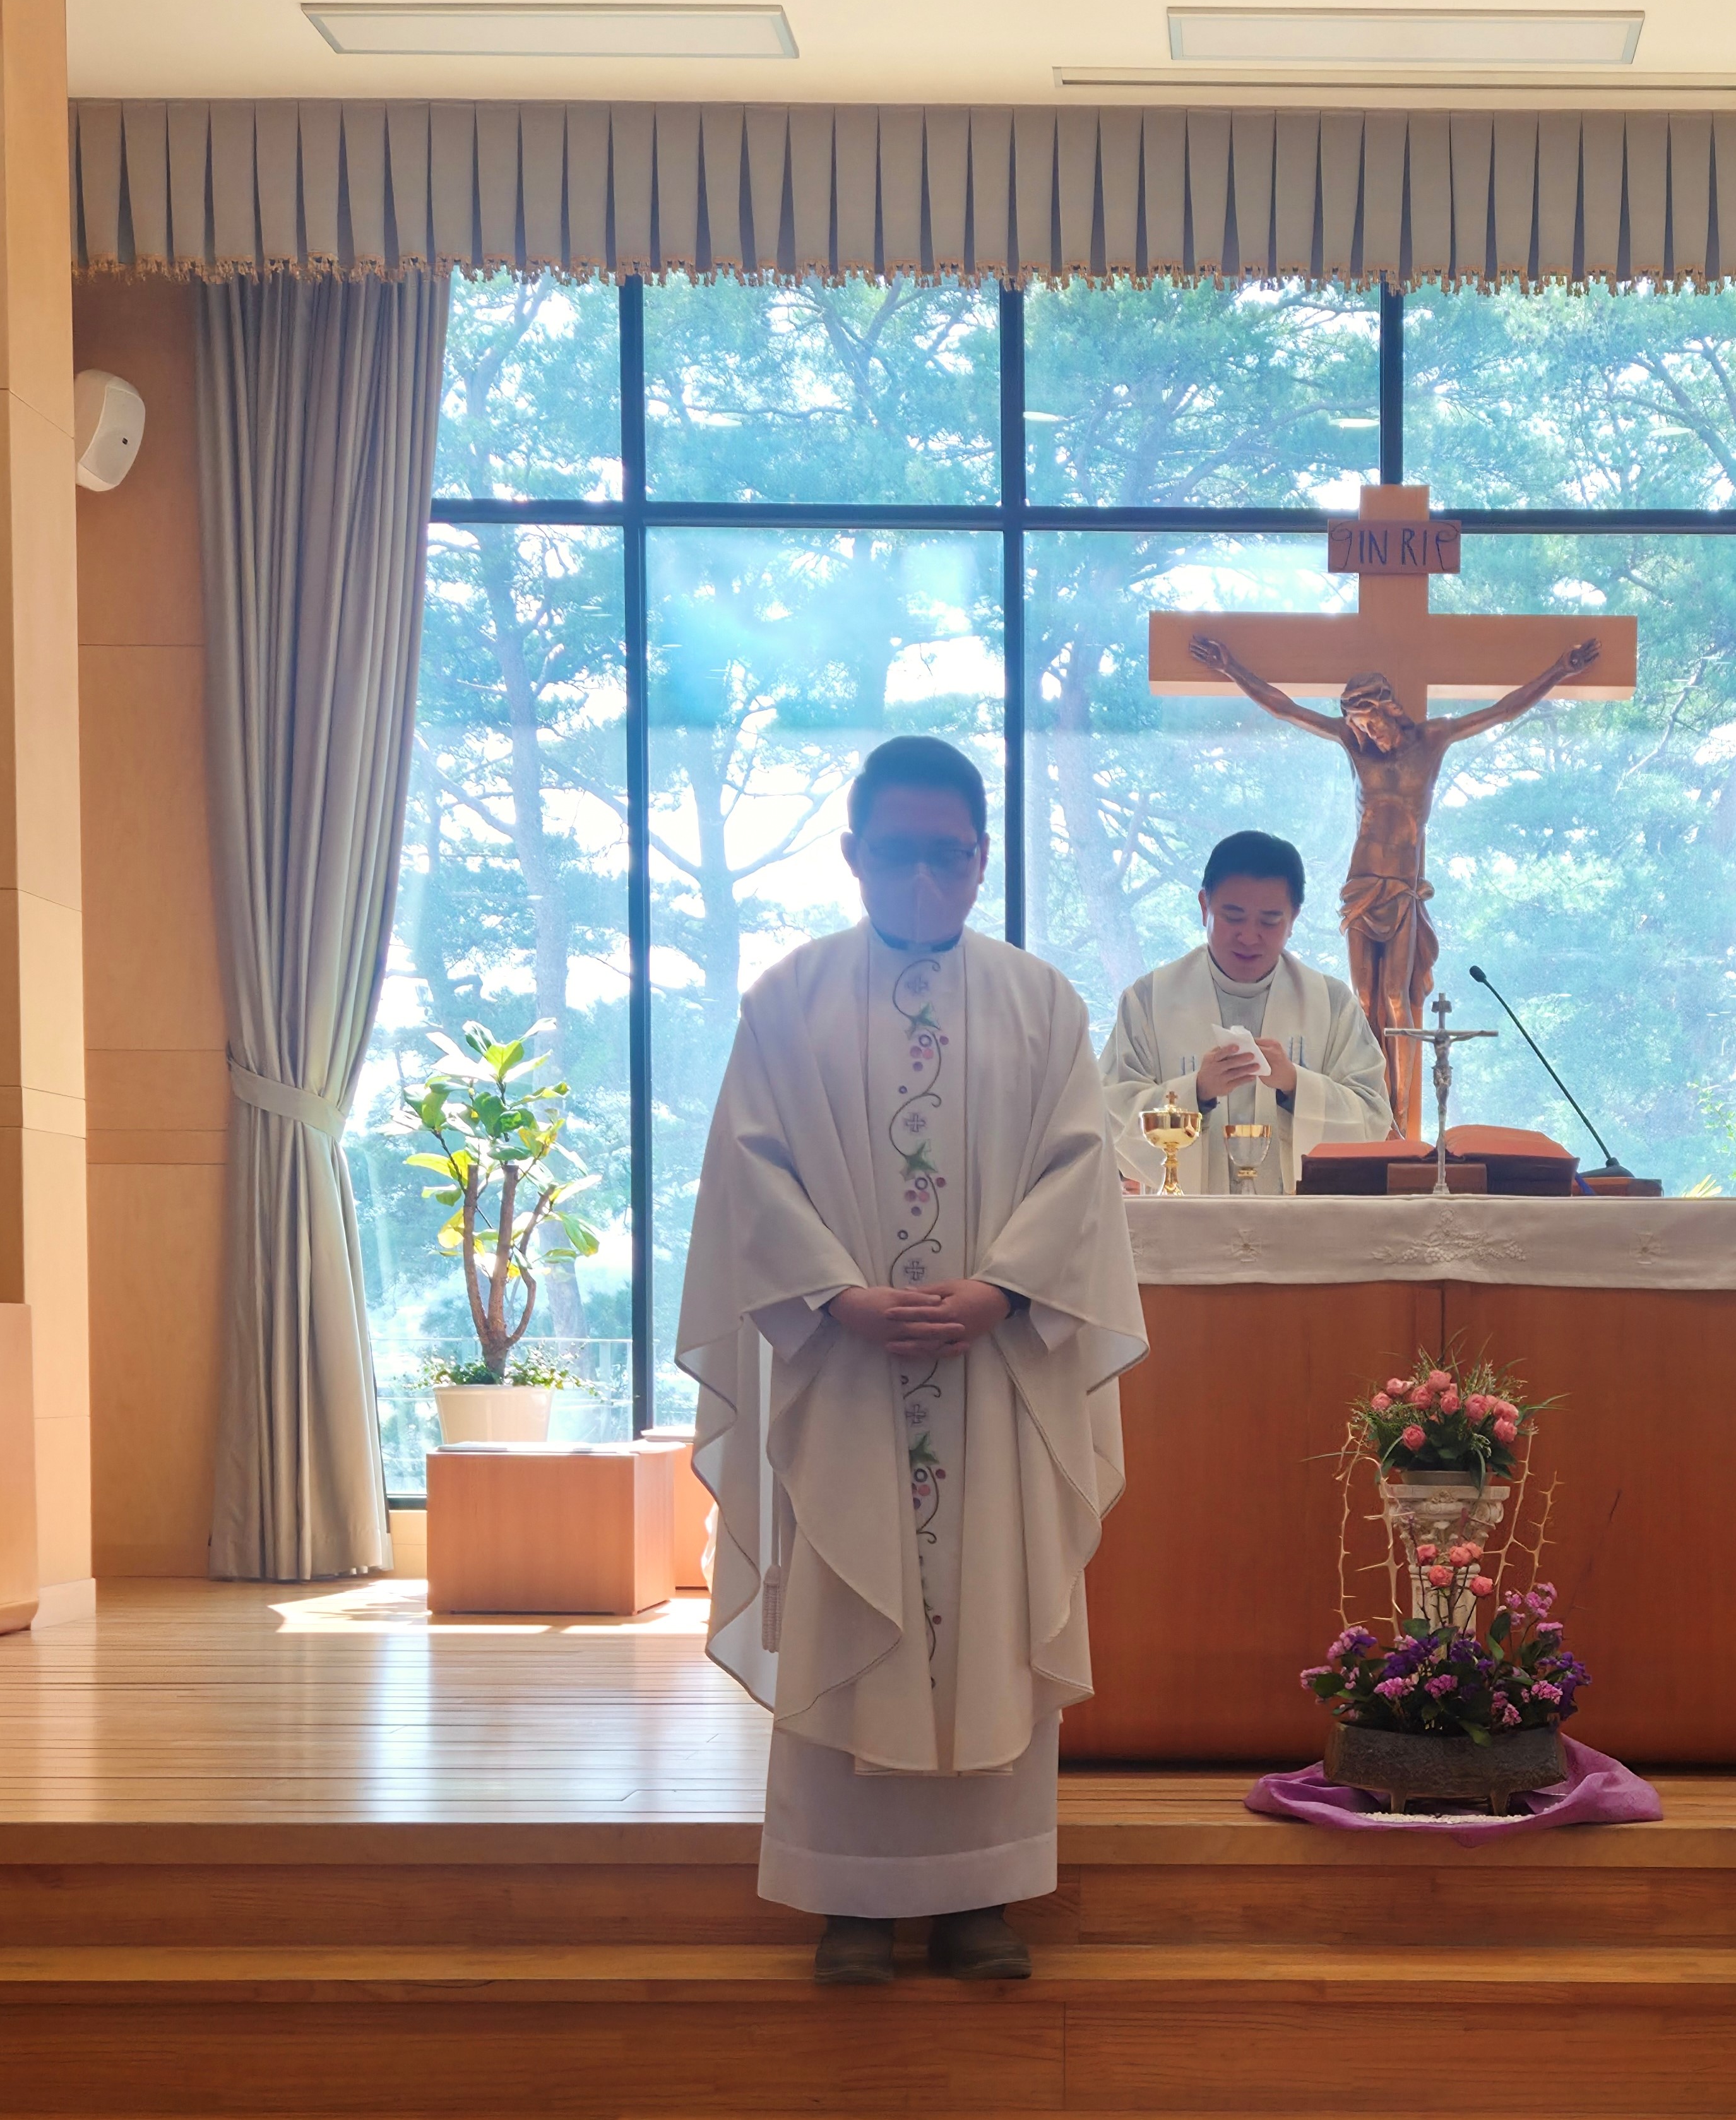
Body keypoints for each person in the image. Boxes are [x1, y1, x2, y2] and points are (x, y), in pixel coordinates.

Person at [672, 735, 1146, 1987]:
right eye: (899, 851)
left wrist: (1001, 1289)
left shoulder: (1044, 1003)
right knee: (853, 1604)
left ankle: (981, 1894)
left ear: (984, 858)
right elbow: (749, 1171)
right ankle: (853, 1899)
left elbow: (1079, 1170)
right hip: (846, 1360)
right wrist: (838, 1294)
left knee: (989, 1607)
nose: (925, 875)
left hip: (993, 1370)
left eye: (950, 852)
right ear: (853, 855)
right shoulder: (787, 998)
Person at [1184, 634, 1600, 1133]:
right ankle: (1376, 1118)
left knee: (1399, 1001)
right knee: (1363, 1003)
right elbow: (1286, 708)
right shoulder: (1356, 747)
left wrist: (1559, 670)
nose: (1367, 735)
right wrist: (1232, 669)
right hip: (1361, 886)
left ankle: (1401, 1121)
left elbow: (1503, 710)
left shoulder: (1433, 740)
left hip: (1403, 890)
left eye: (1372, 723)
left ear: (1390, 709)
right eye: (1358, 727)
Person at [1100, 830, 1395, 1194]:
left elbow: (1372, 1118)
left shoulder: (1332, 1004)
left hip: (1299, 1231)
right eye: (1233, 916)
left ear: (1294, 918)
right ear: (1204, 906)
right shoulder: (1147, 1001)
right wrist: (1198, 1093)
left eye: (1270, 920)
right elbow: (1110, 1115)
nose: (1250, 936)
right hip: (1183, 1229)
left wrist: (1294, 1086)